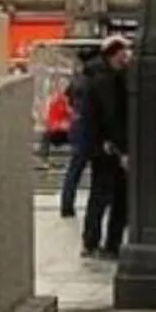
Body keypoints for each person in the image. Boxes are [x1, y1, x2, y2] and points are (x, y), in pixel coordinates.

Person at [81, 35, 131, 263]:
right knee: (109, 197)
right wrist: (120, 148)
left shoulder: (108, 77)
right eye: (124, 52)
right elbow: (112, 116)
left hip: (103, 147)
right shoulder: (105, 80)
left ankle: (99, 242)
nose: (127, 56)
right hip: (108, 150)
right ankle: (104, 243)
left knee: (104, 197)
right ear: (114, 54)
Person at [57, 46, 98, 221]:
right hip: (91, 131)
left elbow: (69, 100)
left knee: (74, 170)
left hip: (78, 129)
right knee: (98, 172)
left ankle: (67, 205)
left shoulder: (76, 81)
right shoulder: (93, 81)